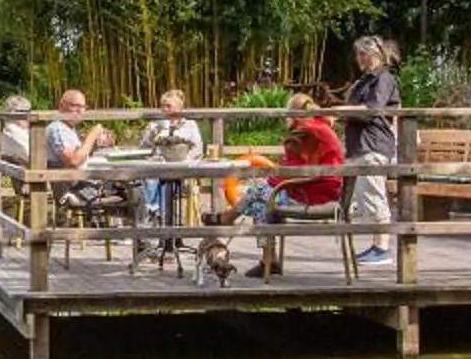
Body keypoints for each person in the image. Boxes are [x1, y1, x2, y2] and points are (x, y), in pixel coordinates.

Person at [229, 90, 345, 224]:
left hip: (312, 194)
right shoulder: (319, 126)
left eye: (287, 114)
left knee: (257, 190)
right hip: (325, 188)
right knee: (259, 206)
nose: (285, 119)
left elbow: (295, 170)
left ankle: (226, 219)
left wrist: (271, 180)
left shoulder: (306, 132)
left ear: (294, 115)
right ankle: (259, 239)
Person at [338, 35, 400, 266]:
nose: (358, 59)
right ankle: (377, 244)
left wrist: (342, 110)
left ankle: (382, 248)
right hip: (359, 144)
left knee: (374, 193)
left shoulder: (384, 78)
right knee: (365, 194)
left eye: (361, 55)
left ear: (372, 54)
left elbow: (372, 109)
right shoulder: (365, 80)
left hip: (373, 143)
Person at [137, 89, 203, 228]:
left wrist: (186, 160)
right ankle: (156, 212)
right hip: (157, 166)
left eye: (168, 106)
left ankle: (156, 214)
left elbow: (198, 149)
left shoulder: (190, 125)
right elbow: (143, 149)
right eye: (163, 106)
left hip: (182, 166)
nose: (164, 109)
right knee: (151, 176)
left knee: (160, 177)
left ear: (180, 108)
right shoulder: (155, 124)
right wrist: (151, 136)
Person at [42, 88, 114, 172]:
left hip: (77, 179)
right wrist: (93, 135)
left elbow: (79, 156)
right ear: (61, 106)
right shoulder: (57, 128)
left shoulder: (68, 128)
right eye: (75, 105)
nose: (80, 110)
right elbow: (73, 161)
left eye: (83, 107)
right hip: (66, 182)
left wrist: (94, 145)